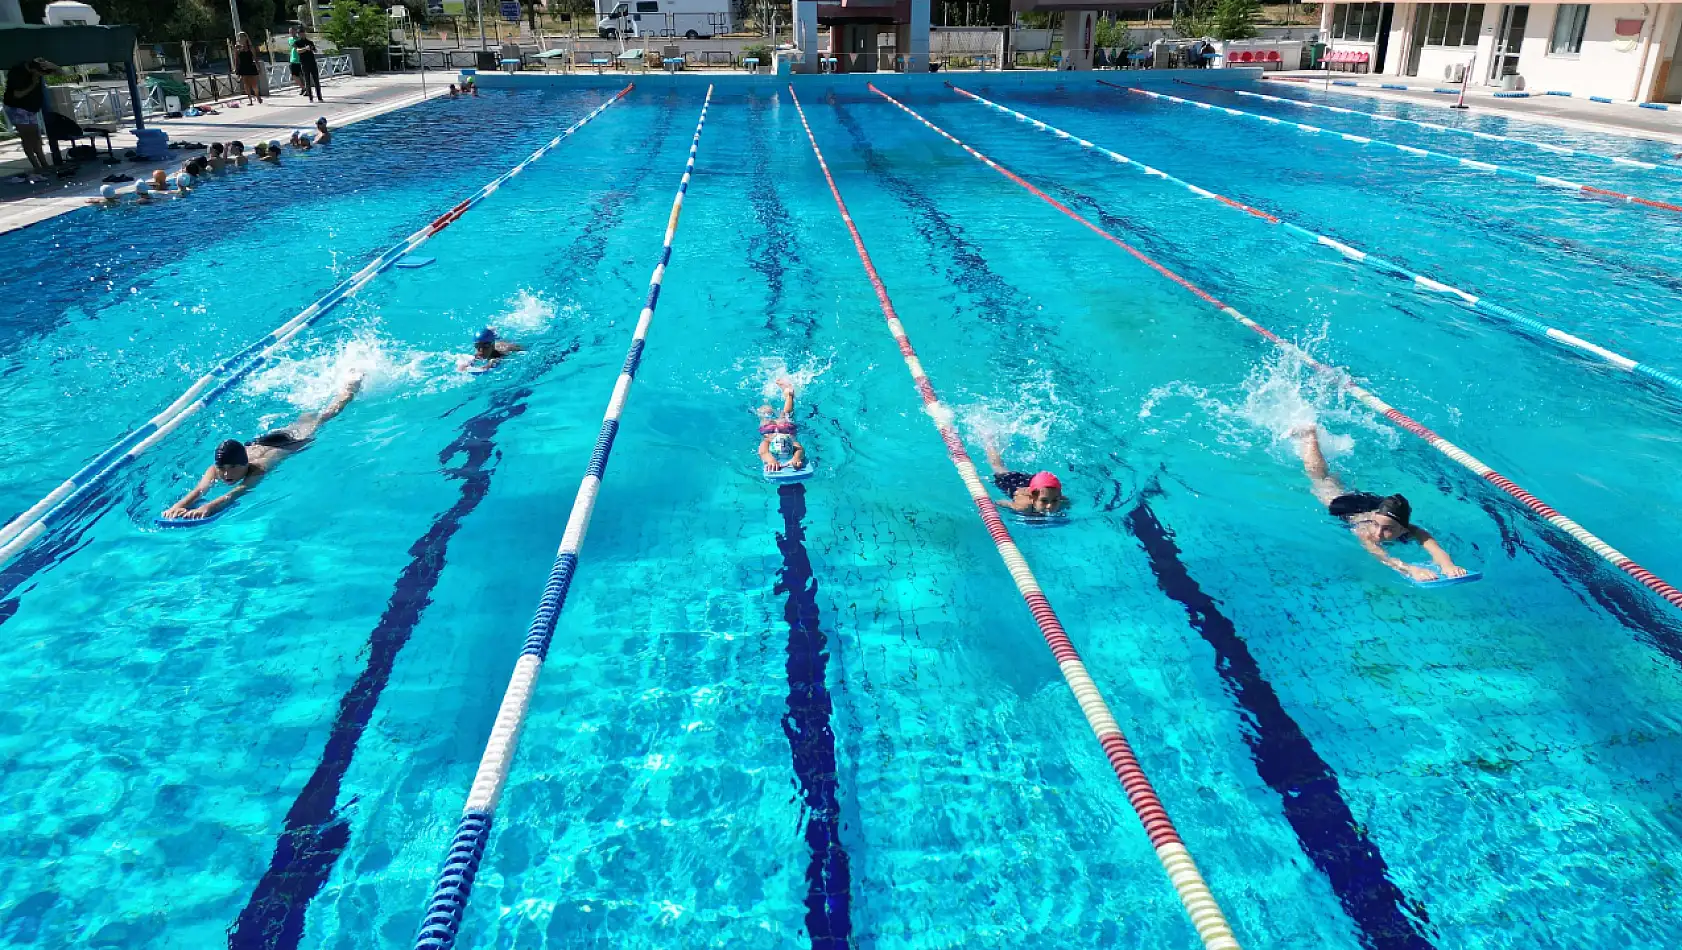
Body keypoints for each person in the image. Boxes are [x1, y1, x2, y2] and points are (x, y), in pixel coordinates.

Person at [162, 376, 362, 521]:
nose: (226, 474)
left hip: (291, 442)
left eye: (232, 467)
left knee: (322, 418)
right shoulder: (216, 469)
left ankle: (349, 389)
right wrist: (178, 506)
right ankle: (323, 389)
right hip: (261, 442)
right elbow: (199, 490)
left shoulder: (258, 468)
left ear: (244, 464)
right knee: (304, 417)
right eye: (223, 468)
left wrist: (209, 506)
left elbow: (238, 491)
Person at [1292, 425, 1468, 582]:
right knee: (1320, 480)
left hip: (1376, 508)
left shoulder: (1414, 531)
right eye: (1378, 526)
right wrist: (1409, 569)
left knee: (1334, 482)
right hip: (1349, 508)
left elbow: (1435, 549)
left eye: (1387, 529)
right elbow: (1380, 555)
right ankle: (1309, 436)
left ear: (1403, 529)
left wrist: (1448, 566)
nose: (1378, 533)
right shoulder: (1366, 532)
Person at [983, 437, 1067, 515]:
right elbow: (999, 502)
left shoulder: (1061, 501)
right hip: (1014, 482)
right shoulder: (1022, 507)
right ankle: (989, 442)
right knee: (998, 467)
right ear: (1032, 499)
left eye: (1055, 500)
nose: (1050, 506)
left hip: (1034, 482)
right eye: (1044, 501)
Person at [3, 57, 59, 173]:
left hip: (30, 108)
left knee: (37, 137)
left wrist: (52, 65)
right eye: (39, 73)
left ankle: (44, 164)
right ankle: (36, 166)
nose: (40, 76)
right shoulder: (17, 73)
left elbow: (61, 73)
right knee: (28, 137)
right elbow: (17, 95)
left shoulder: (37, 70)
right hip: (17, 108)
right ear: (33, 70)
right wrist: (33, 84)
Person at [757, 379, 806, 473]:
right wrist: (796, 458)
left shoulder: (767, 441)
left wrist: (770, 460)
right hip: (783, 430)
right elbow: (799, 448)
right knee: (785, 414)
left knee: (778, 414)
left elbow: (763, 451)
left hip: (771, 431)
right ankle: (789, 395)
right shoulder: (791, 442)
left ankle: (788, 396)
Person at [459, 328, 524, 371]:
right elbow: (461, 369)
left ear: (492, 345)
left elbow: (485, 368)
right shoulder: (478, 353)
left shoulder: (498, 354)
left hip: (507, 345)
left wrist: (489, 365)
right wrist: (465, 365)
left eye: (485, 346)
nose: (481, 350)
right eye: (477, 346)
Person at [291, 27, 324, 102]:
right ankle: (310, 97)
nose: (302, 34)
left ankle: (319, 97)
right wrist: (305, 48)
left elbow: (315, 50)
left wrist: (313, 48)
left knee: (316, 80)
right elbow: (298, 51)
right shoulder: (297, 42)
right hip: (304, 63)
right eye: (300, 33)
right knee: (307, 81)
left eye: (303, 33)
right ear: (298, 34)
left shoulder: (310, 42)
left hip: (312, 62)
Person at [234, 32, 262, 105]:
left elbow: (255, 58)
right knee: (246, 84)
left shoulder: (250, 47)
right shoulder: (237, 47)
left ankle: (257, 95)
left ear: (246, 38)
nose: (241, 39)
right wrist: (236, 68)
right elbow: (236, 59)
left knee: (254, 83)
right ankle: (250, 100)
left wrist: (258, 66)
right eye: (239, 37)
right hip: (242, 66)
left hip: (250, 65)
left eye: (242, 37)